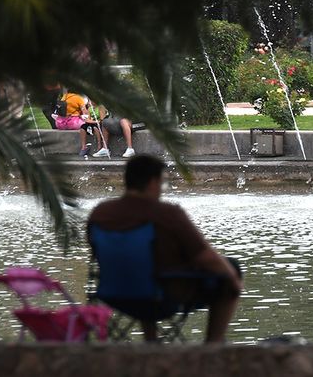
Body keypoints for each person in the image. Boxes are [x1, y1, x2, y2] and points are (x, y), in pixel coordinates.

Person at [88, 155, 243, 343]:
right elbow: (205, 257)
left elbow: (99, 252)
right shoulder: (166, 214)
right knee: (230, 268)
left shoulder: (100, 213)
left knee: (144, 270)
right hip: (160, 297)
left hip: (113, 295)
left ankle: (151, 341)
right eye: (162, 182)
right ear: (153, 182)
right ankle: (214, 343)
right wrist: (233, 277)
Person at [53, 87, 110, 157]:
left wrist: (92, 121)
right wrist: (90, 120)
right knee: (83, 127)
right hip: (74, 123)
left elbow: (101, 119)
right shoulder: (81, 100)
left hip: (60, 123)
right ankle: (84, 147)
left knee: (95, 128)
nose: (90, 101)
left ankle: (99, 146)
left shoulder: (64, 96)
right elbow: (86, 116)